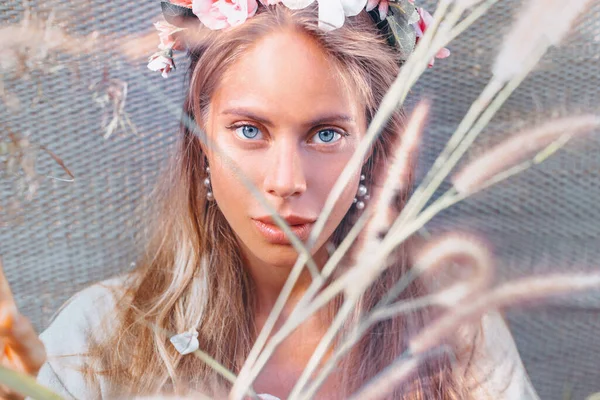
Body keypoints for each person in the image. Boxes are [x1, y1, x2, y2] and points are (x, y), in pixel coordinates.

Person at [0, 1, 537, 399]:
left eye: (326, 134)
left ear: (374, 152)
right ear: (201, 142)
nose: (286, 182)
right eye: (250, 131)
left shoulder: (457, 333)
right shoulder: (99, 340)